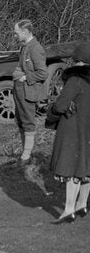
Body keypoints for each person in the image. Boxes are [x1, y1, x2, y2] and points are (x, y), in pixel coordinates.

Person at [45, 41, 90, 223]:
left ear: (77, 60)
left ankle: (68, 210)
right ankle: (82, 204)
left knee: (72, 169)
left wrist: (51, 112)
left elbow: (60, 105)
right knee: (86, 168)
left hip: (73, 128)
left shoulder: (75, 80)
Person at [12, 19, 49, 164]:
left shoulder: (35, 48)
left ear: (25, 32)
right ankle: (25, 152)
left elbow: (43, 73)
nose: (15, 36)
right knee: (20, 121)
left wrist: (26, 77)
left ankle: (26, 156)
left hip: (28, 91)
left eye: (16, 33)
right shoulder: (25, 46)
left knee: (28, 121)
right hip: (20, 90)